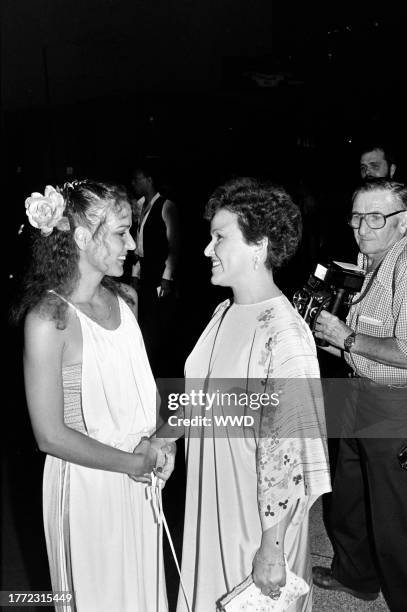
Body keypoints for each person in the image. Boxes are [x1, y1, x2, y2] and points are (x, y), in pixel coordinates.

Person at [172, 177, 331, 611]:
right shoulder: (225, 312)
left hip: (255, 516)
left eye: (220, 237)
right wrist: (166, 438)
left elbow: (290, 452)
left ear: (258, 246)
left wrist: (271, 548)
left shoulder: (284, 336)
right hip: (214, 493)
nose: (208, 249)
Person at [16, 180, 170, 612]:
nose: (133, 244)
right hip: (86, 487)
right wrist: (134, 462)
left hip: (140, 480)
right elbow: (50, 435)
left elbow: (143, 387)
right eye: (121, 232)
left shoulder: (127, 299)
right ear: (82, 237)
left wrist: (162, 443)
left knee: (140, 594)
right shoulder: (49, 319)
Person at [313, 179, 407, 611]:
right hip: (356, 387)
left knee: (393, 513)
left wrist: (346, 338)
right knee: (348, 494)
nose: (363, 228)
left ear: (402, 222)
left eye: (376, 218)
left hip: (393, 401)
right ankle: (357, 576)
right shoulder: (369, 260)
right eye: (357, 217)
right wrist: (324, 335)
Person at [130, 160, 180, 375]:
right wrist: (135, 274)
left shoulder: (166, 205)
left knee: (158, 325)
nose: (134, 183)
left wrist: (167, 277)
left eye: (138, 179)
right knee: (144, 323)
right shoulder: (140, 206)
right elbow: (138, 243)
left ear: (149, 180)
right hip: (144, 273)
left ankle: (162, 371)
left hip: (159, 273)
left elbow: (174, 245)